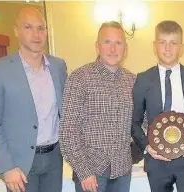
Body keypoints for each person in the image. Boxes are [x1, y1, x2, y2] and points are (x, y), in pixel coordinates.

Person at [0, 7, 67, 192]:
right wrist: (6, 167)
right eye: (28, 27)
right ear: (16, 31)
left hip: (54, 159)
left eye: (41, 28)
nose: (36, 34)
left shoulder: (58, 66)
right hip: (20, 164)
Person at [131, 20, 184, 192]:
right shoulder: (143, 79)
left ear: (181, 47)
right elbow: (134, 122)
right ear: (155, 46)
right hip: (157, 160)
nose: (167, 48)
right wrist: (147, 147)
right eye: (162, 42)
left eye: (173, 43)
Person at [59, 21, 135, 192]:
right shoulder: (79, 78)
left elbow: (143, 122)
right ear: (97, 46)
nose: (113, 49)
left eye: (118, 43)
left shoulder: (133, 81)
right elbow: (68, 131)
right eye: (107, 42)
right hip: (91, 171)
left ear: (125, 48)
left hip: (122, 170)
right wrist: (84, 172)